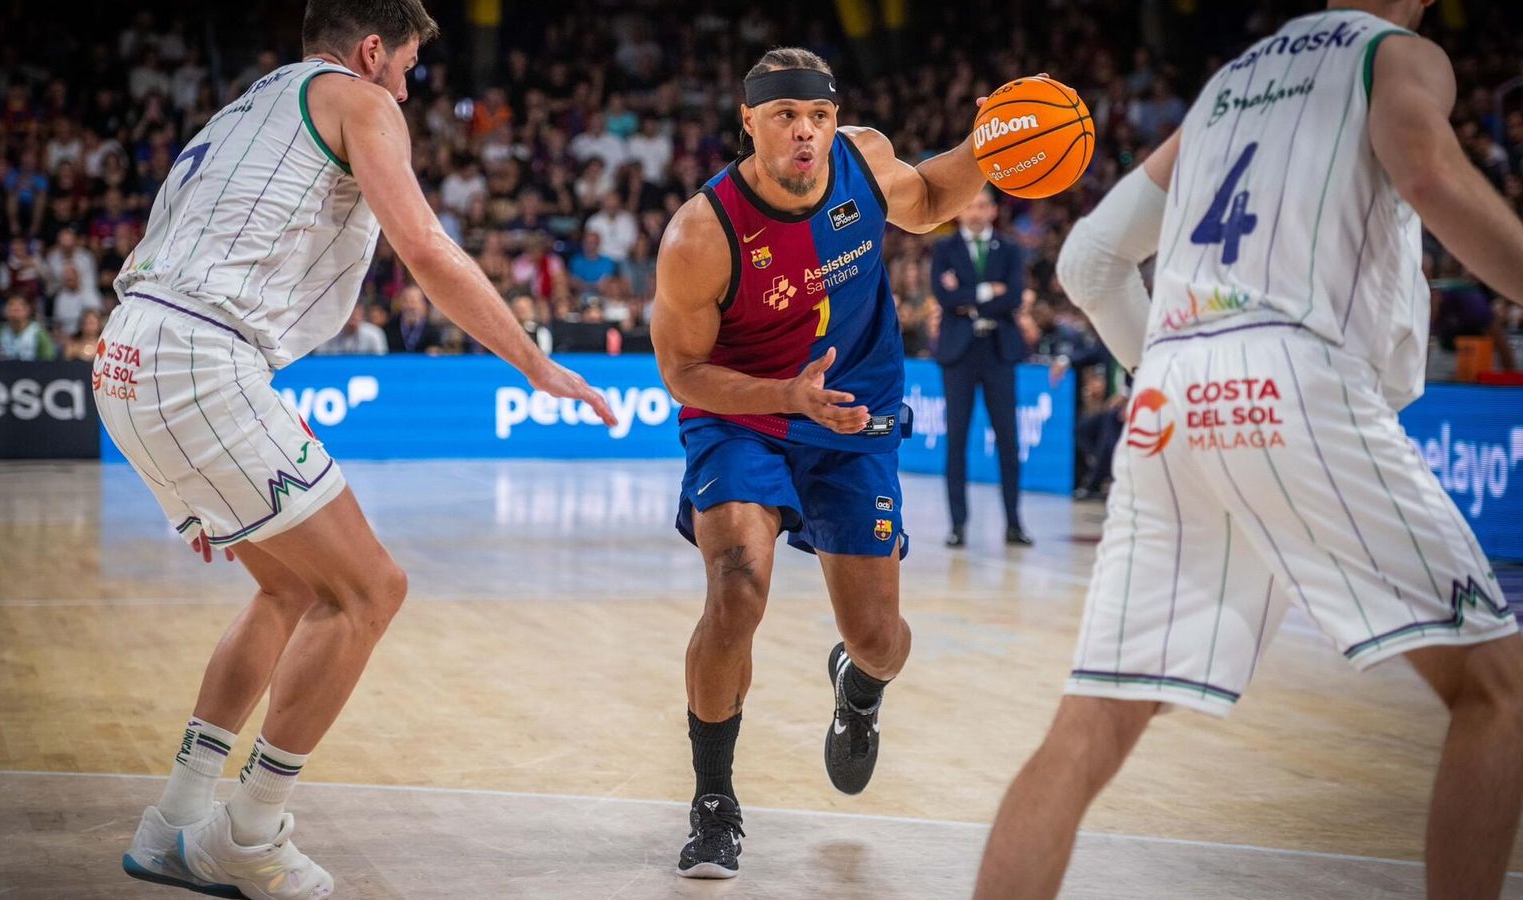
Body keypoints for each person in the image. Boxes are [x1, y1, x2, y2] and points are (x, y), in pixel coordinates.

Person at [975, 3, 1523, 898]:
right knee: (1498, 690)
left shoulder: (1230, 83)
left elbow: (1087, 261)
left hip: (1170, 392)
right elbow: (1429, 175)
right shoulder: (1396, 55)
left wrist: (1175, 370)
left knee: (1094, 722)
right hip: (1293, 376)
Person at [98, 4, 614, 898]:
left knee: (291, 585)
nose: (409, 86)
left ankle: (174, 819)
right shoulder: (360, 99)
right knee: (372, 589)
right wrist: (533, 361)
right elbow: (426, 247)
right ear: (372, 50)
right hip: (198, 357)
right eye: (408, 65)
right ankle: (247, 835)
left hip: (131, 349)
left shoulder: (246, 107)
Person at [651, 47, 990, 879]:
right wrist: (781, 396)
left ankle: (859, 685)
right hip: (746, 417)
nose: (805, 132)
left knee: (880, 640)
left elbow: (935, 196)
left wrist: (995, 141)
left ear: (835, 120)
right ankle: (714, 802)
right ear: (750, 122)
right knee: (737, 585)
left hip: (855, 417)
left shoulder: (865, 165)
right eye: (785, 118)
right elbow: (682, 373)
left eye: (818, 116)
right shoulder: (702, 232)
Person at [931, 187, 1031, 547]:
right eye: (969, 204)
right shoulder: (944, 248)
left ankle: (1014, 523)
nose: (976, 212)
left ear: (992, 211)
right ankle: (957, 524)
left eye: (982, 205)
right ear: (959, 211)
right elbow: (943, 297)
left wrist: (968, 298)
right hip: (959, 354)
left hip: (998, 352)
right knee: (956, 439)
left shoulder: (1009, 249)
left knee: (1008, 439)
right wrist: (990, 293)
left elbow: (1016, 295)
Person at [0, 293, 57, 360]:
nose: (14, 309)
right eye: (11, 305)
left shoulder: (37, 331)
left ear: (27, 310)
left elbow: (48, 356)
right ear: (5, 310)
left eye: (19, 307)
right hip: (3, 370)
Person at [384, 283, 441, 353]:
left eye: (414, 301)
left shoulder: (433, 332)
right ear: (400, 304)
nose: (410, 306)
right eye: (406, 301)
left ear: (424, 305)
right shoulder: (388, 329)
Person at [317, 301, 388, 355]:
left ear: (363, 316)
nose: (353, 318)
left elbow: (381, 361)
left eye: (356, 314)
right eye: (350, 314)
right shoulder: (328, 334)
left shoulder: (374, 334)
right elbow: (319, 359)